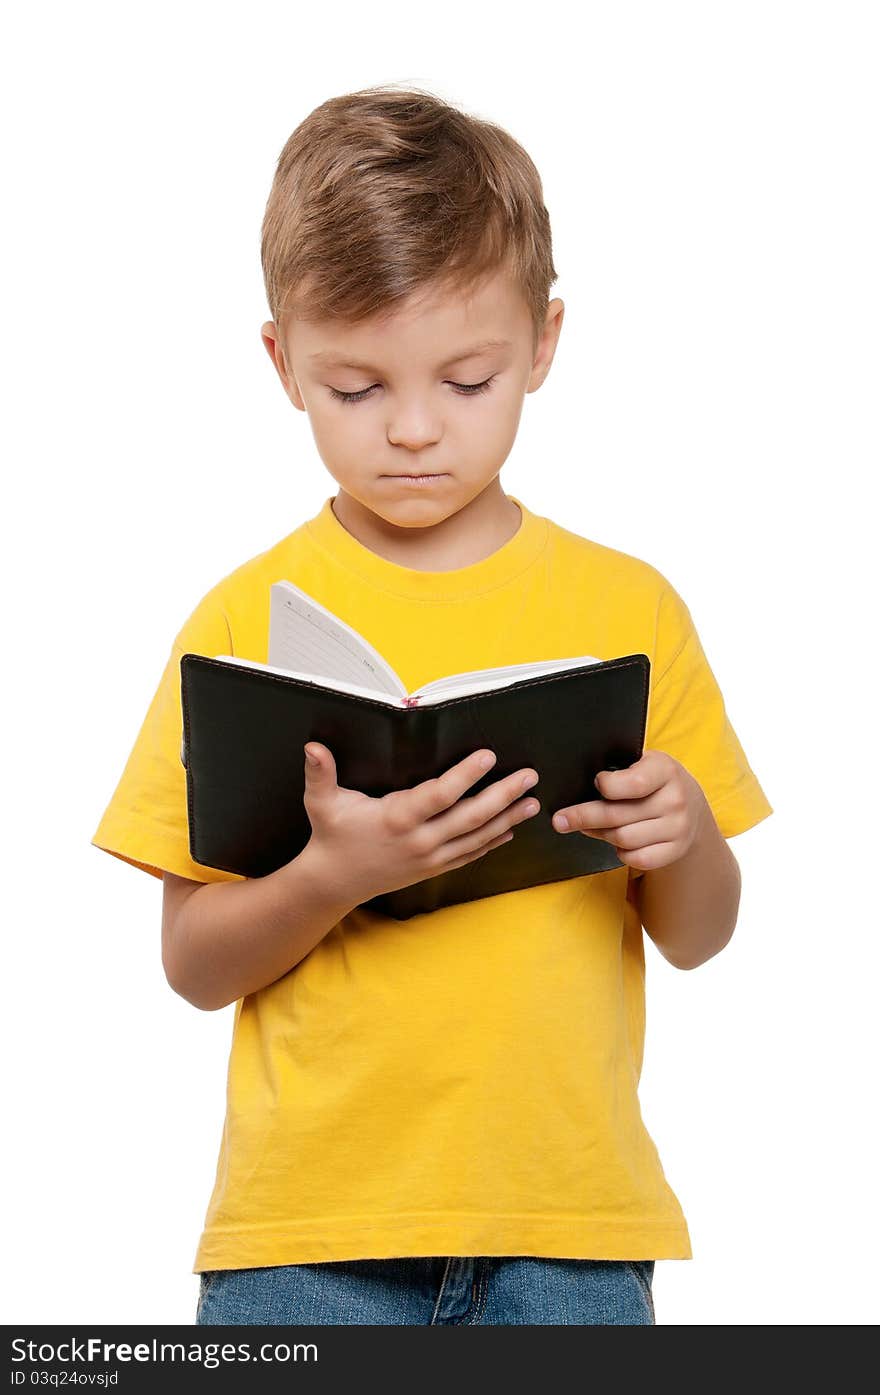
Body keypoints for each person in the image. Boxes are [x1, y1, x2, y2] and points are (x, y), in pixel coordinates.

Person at [91, 84, 772, 1327]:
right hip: (307, 1239)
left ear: (545, 344)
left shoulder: (629, 609)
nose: (412, 432)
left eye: (467, 381)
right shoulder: (243, 621)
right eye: (356, 389)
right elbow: (192, 966)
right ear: (282, 362)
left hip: (565, 1229)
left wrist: (687, 834)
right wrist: (327, 879)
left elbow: (699, 934)